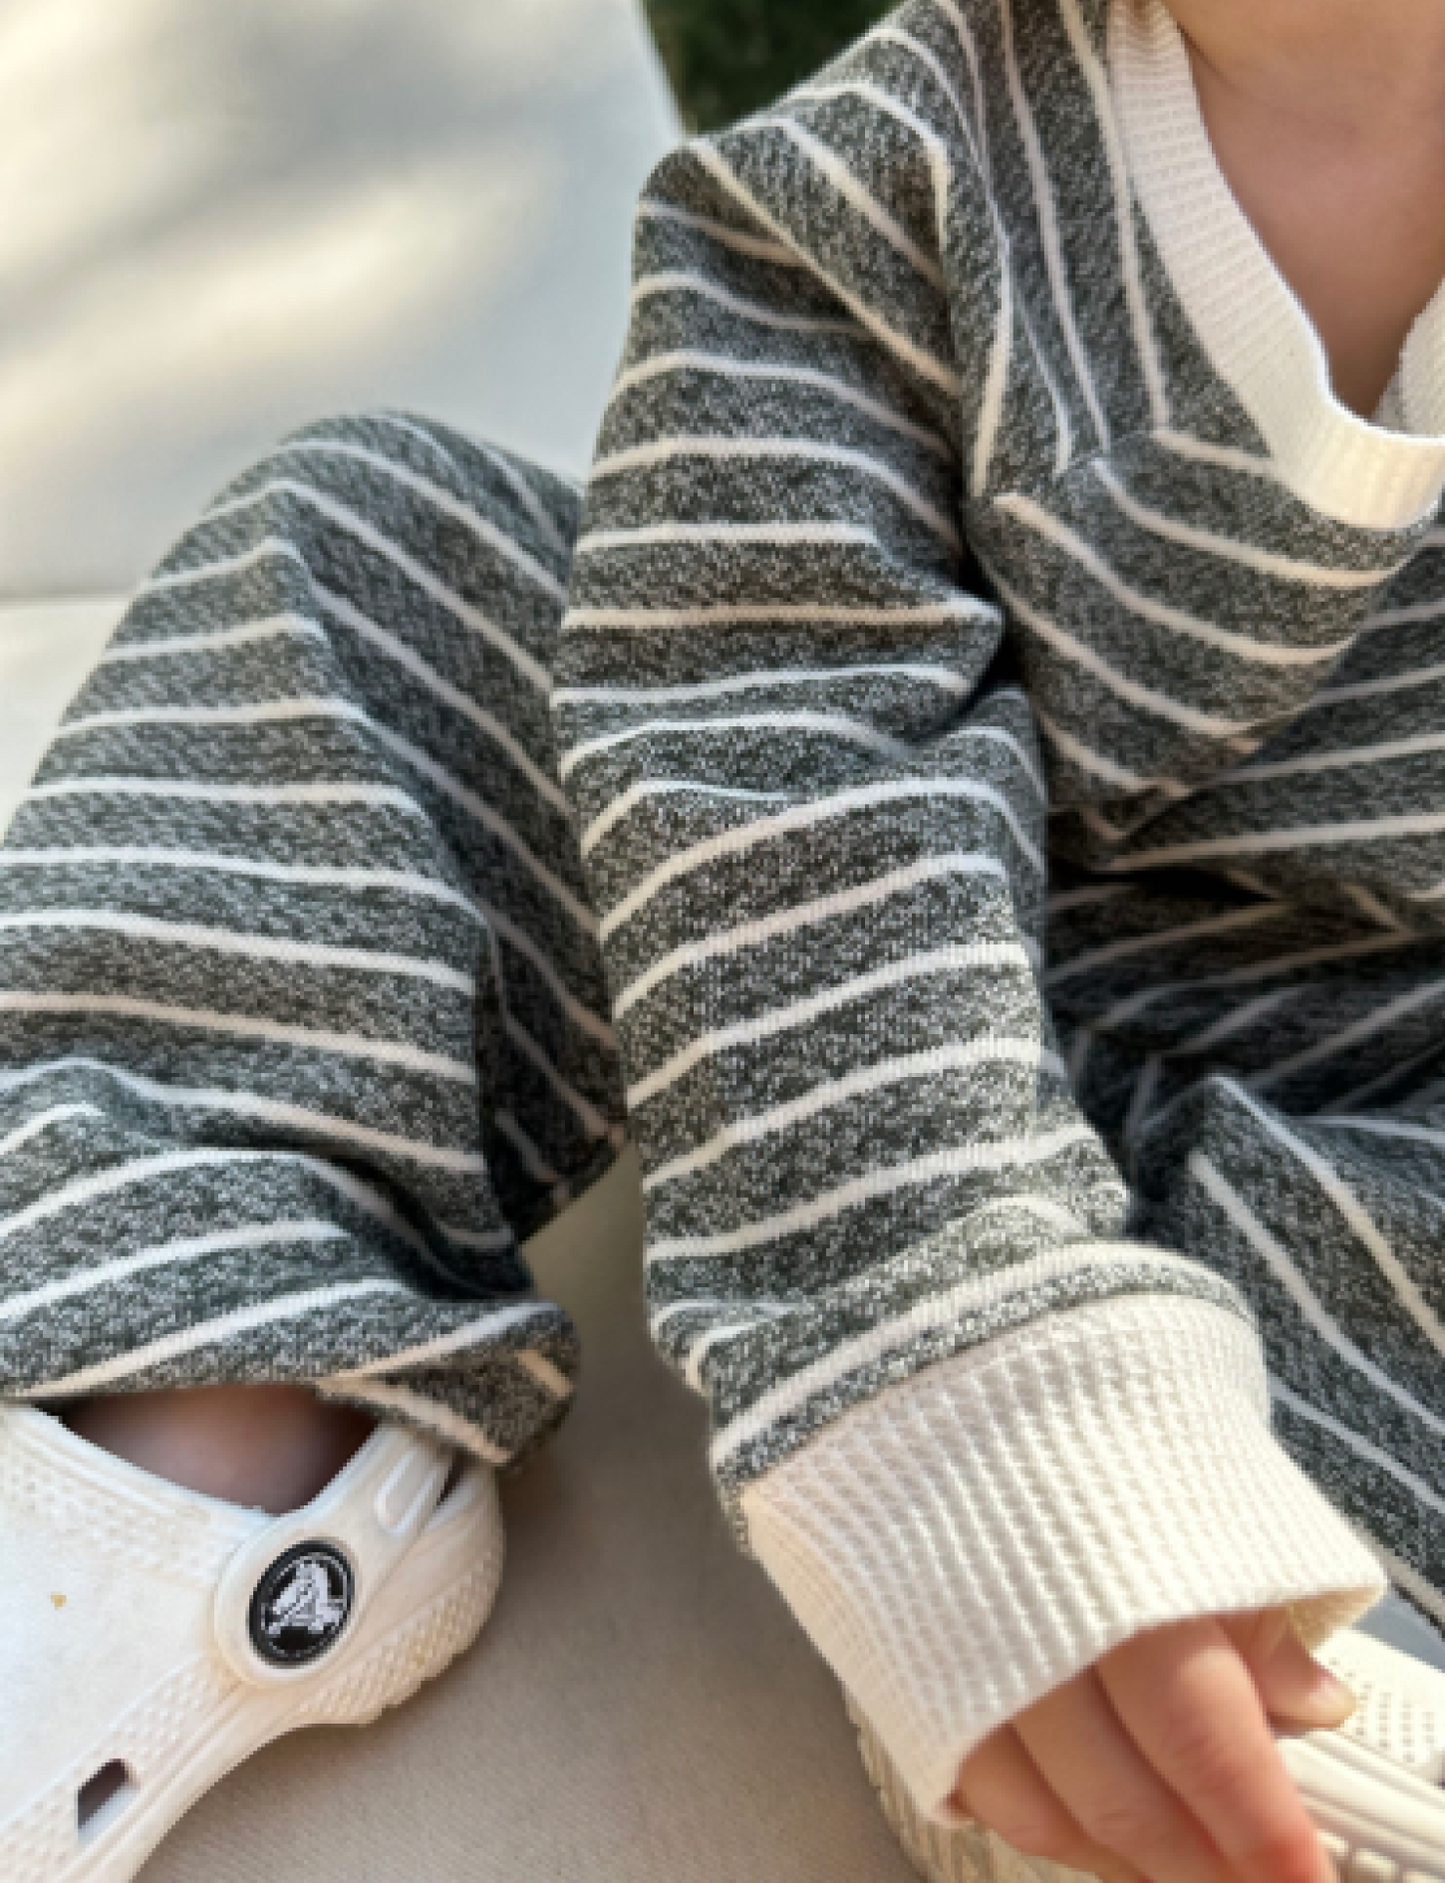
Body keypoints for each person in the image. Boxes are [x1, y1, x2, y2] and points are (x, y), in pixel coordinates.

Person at [4, 0, 1445, 1879]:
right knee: (353, 555)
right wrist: (962, 1361)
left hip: (1370, 1119)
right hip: (804, 971)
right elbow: (762, 734)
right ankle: (166, 1461)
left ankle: (1233, 1675)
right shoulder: (885, 174)